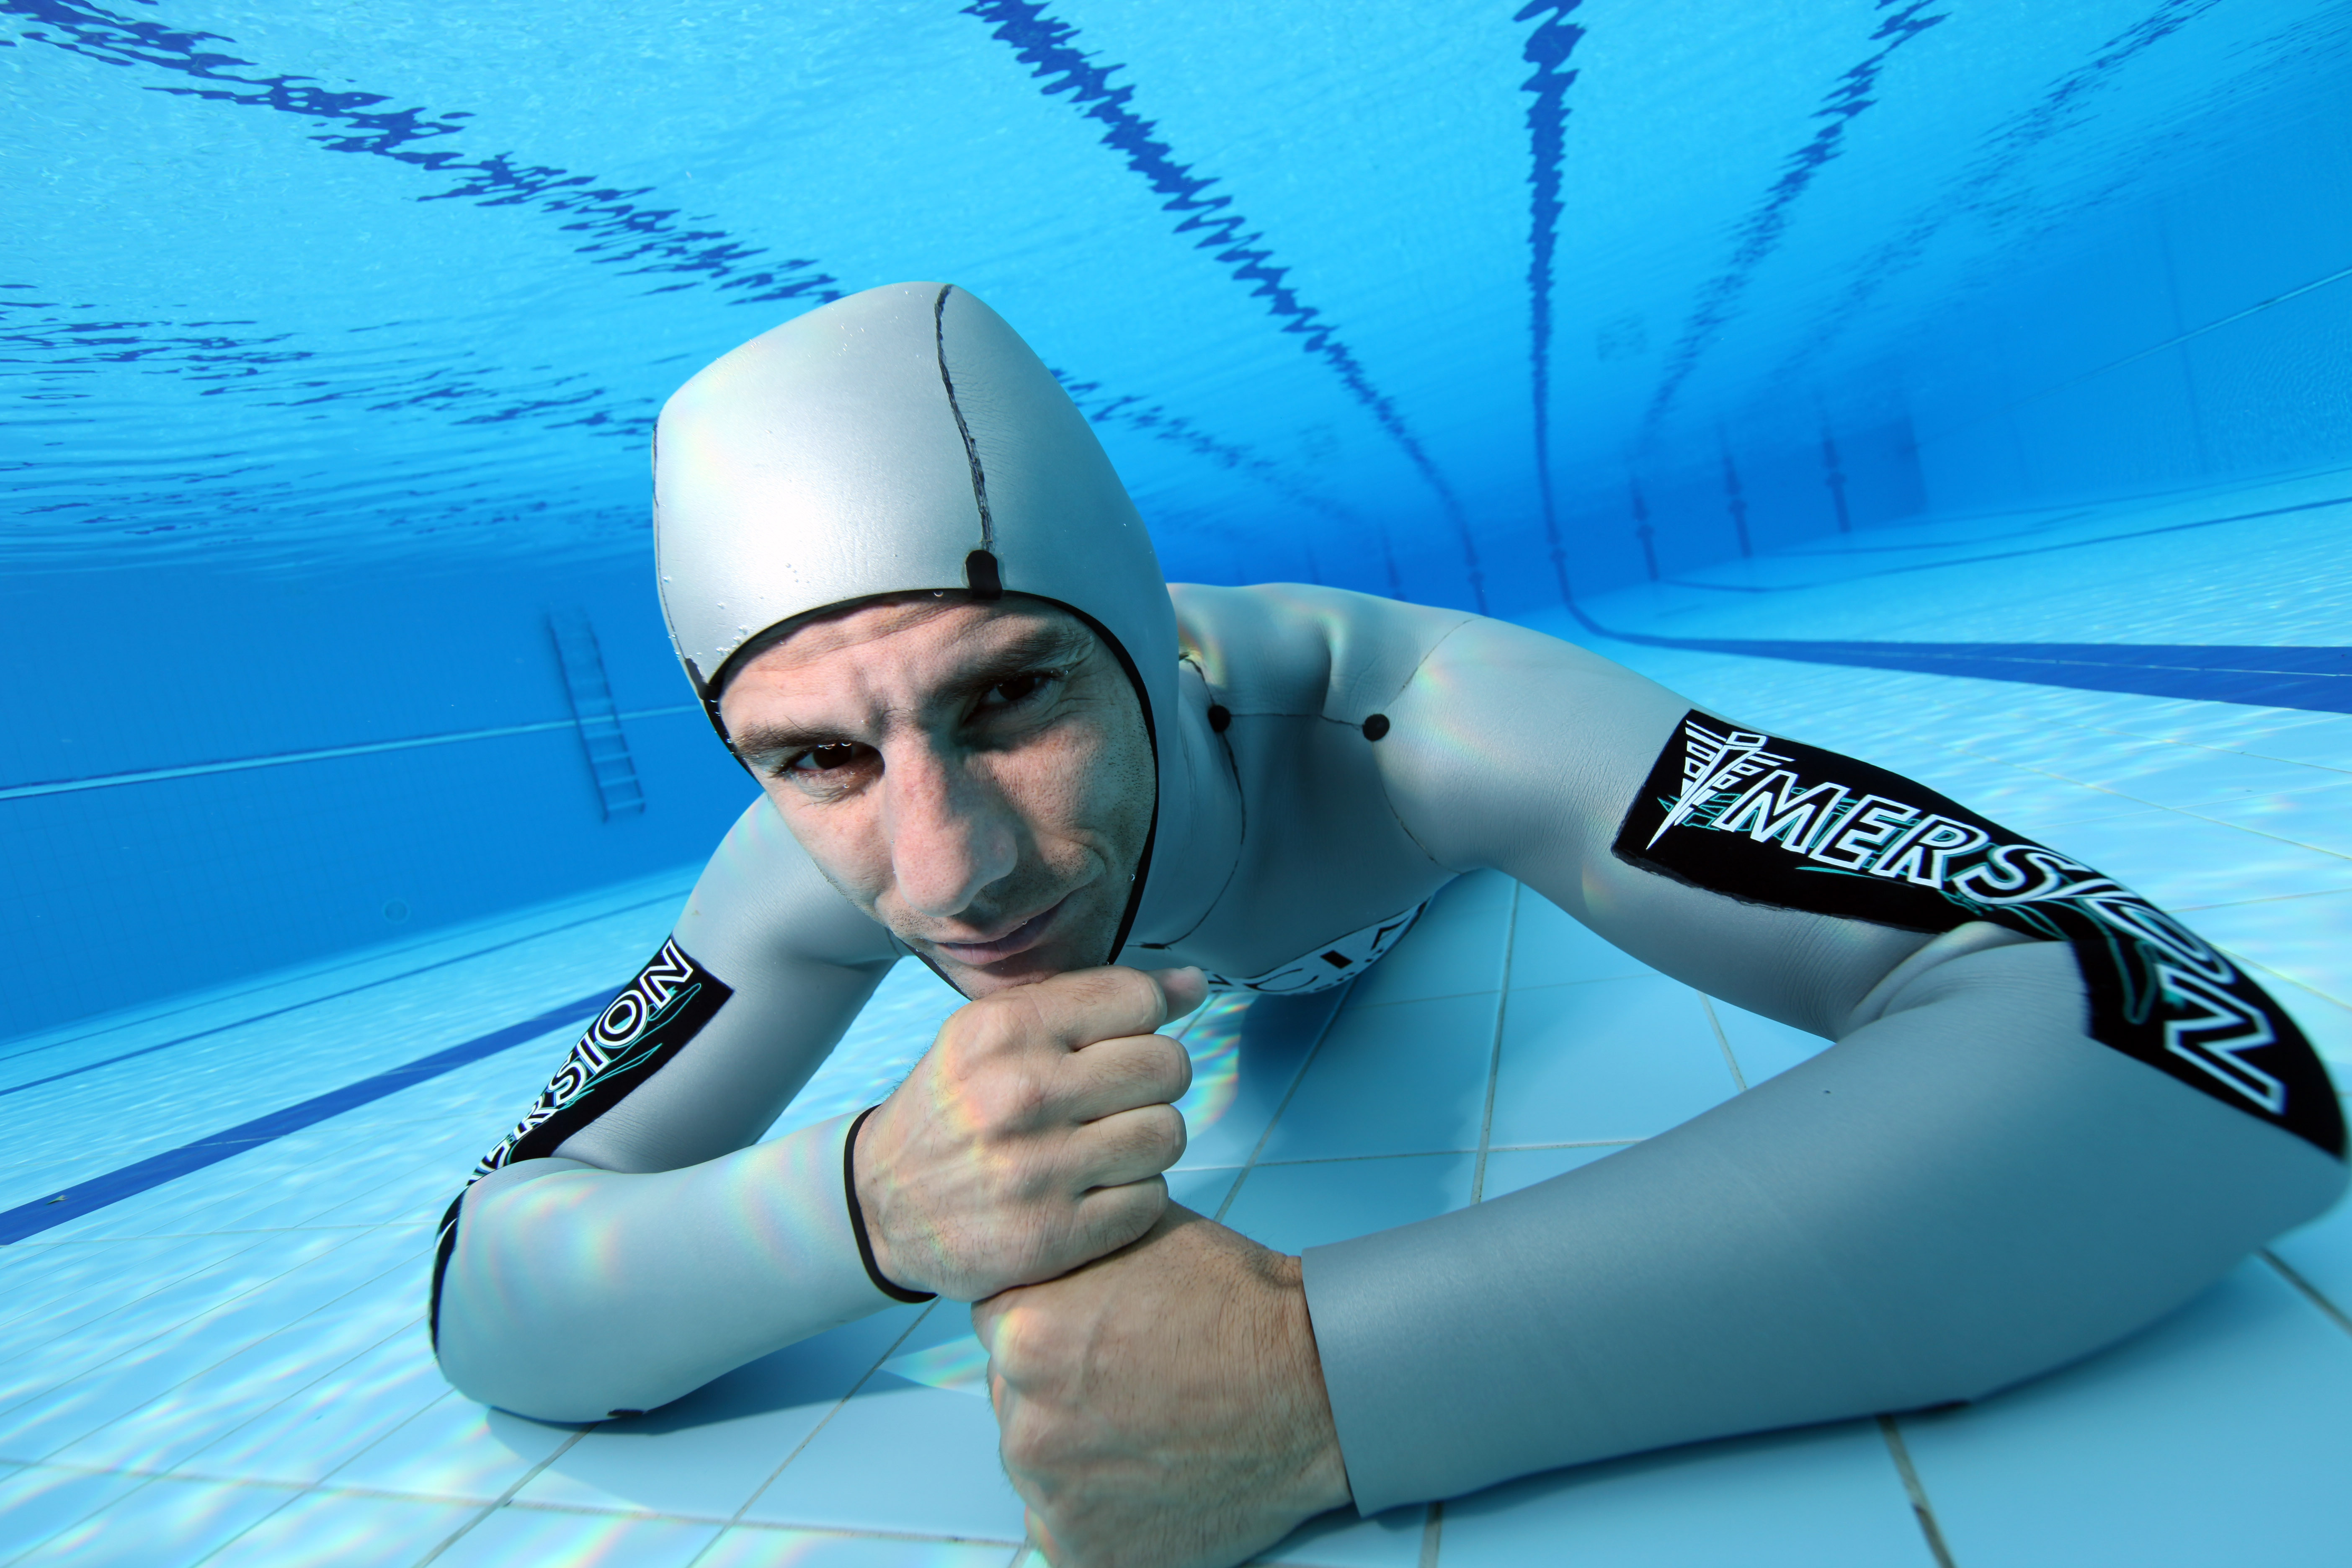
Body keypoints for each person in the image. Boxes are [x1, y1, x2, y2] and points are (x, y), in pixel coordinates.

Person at [431, 282, 2346, 1568]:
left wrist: (1315, 1378)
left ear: (1158, 653)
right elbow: (485, 1283)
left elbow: (2190, 1043)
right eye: (819, 759)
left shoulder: (1425, 720)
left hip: (1411, 907)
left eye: (1012, 698)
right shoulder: (795, 869)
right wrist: (867, 1202)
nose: (949, 877)